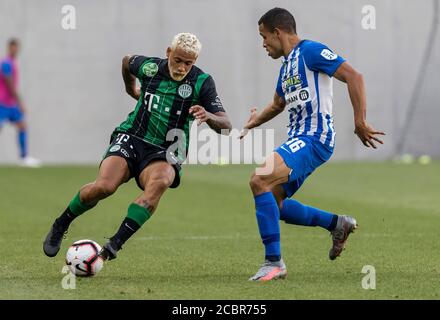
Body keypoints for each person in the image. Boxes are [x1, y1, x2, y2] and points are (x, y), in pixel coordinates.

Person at [43, 33, 231, 261]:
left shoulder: (202, 82)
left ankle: (113, 245)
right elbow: (126, 61)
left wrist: (208, 115)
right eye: (178, 60)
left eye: (188, 63)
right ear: (168, 52)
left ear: (196, 61)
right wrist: (131, 89)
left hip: (166, 150)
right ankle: (61, 223)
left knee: (160, 182)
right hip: (132, 136)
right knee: (104, 187)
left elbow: (226, 126)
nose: (182, 68)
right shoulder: (149, 67)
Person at [240, 8, 385, 281]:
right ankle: (336, 223)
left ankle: (274, 263)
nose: (263, 44)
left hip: (315, 137)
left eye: (263, 37)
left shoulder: (311, 51)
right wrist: (253, 122)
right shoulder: (287, 67)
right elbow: (277, 104)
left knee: (259, 179)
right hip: (298, 140)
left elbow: (354, 76)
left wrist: (360, 121)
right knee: (273, 202)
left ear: (277, 32)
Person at [0, 38, 41, 167]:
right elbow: (10, 84)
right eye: (13, 47)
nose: (15, 49)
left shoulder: (12, 62)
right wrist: (21, 102)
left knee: (22, 126)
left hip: (11, 104)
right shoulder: (6, 63)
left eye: (16, 47)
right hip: (2, 102)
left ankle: (24, 157)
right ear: (9, 48)